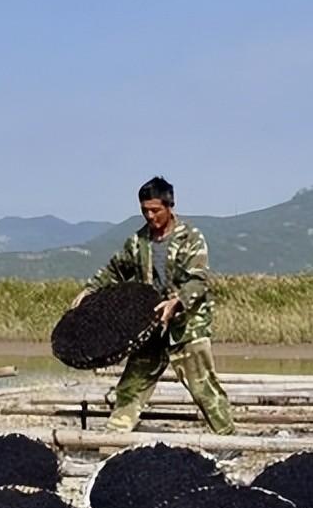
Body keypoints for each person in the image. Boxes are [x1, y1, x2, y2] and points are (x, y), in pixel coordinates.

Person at [70, 175, 235, 435]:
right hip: (151, 326)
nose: (150, 216)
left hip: (186, 326)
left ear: (170, 206)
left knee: (203, 387)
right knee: (132, 385)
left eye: (155, 210)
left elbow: (198, 281)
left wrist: (176, 302)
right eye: (144, 211)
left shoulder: (190, 238)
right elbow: (115, 269)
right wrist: (90, 290)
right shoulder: (138, 242)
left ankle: (227, 439)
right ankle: (114, 438)